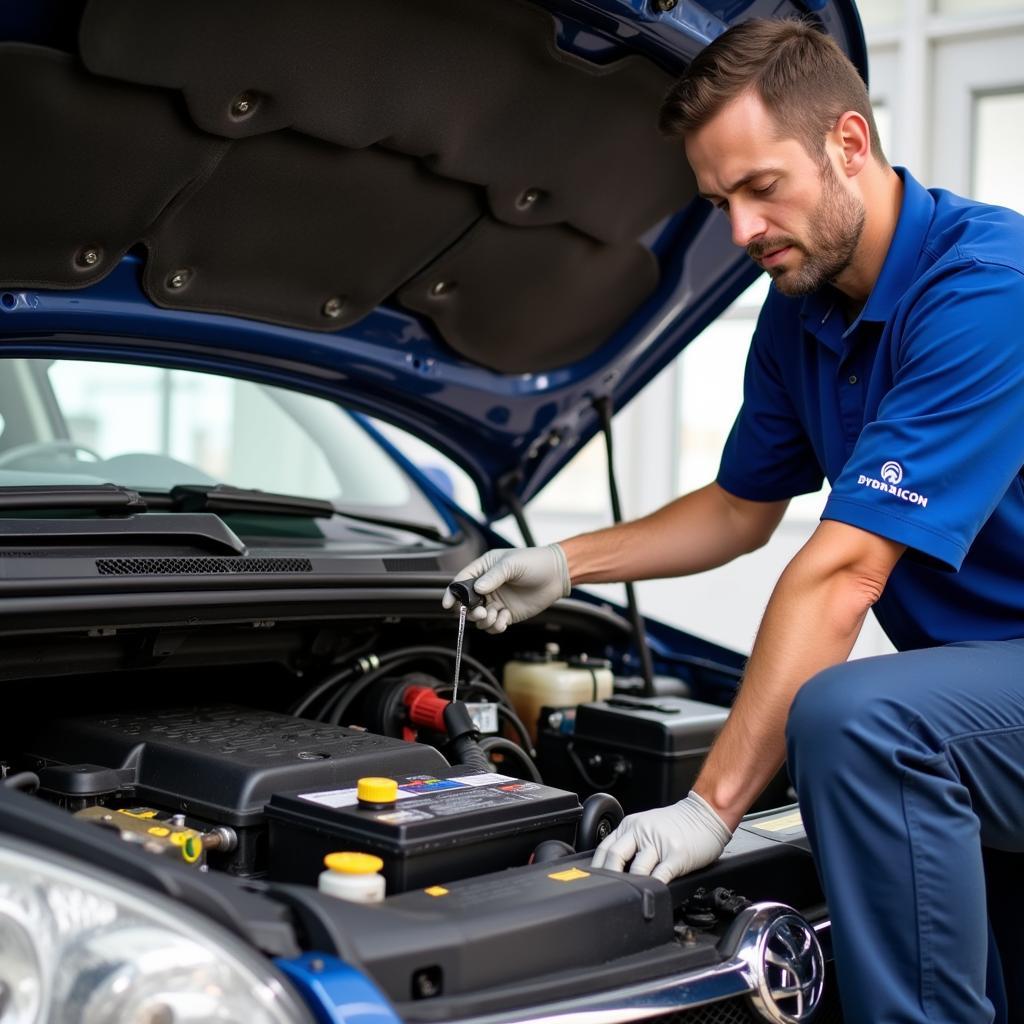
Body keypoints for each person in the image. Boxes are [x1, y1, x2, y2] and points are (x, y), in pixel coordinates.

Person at [442, 17, 1024, 1024]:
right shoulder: (802, 310)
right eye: (719, 202)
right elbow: (739, 508)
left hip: (990, 677)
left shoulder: (987, 290)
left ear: (848, 143)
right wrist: (561, 563)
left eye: (762, 187)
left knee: (857, 721)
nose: (742, 230)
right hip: (984, 688)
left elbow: (843, 574)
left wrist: (711, 807)